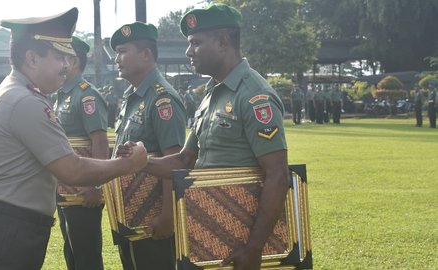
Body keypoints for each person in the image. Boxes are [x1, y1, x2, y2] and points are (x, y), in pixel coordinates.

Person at [0, 8, 148, 270]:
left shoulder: (19, 93)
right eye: (59, 56)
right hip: (7, 233)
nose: (66, 66)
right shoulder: (25, 101)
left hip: (7, 228)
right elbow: (72, 169)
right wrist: (129, 164)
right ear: (32, 58)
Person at [120, 4, 289, 270]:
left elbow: (277, 174)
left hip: (242, 235)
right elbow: (185, 159)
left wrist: (254, 248)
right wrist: (142, 162)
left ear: (223, 42)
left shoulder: (255, 96)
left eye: (196, 43)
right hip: (210, 229)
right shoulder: (211, 95)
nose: (188, 51)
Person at [110, 22, 187, 270]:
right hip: (130, 215)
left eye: (123, 51)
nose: (117, 59)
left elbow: (174, 162)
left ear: (146, 54)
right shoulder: (134, 96)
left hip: (151, 216)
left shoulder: (162, 98)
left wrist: (167, 215)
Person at [53, 36, 107, 270]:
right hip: (65, 189)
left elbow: (100, 142)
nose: (55, 63)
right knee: (72, 252)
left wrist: (95, 186)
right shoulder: (62, 95)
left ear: (73, 61)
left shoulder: (87, 96)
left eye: (60, 57)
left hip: (84, 193)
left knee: (87, 256)